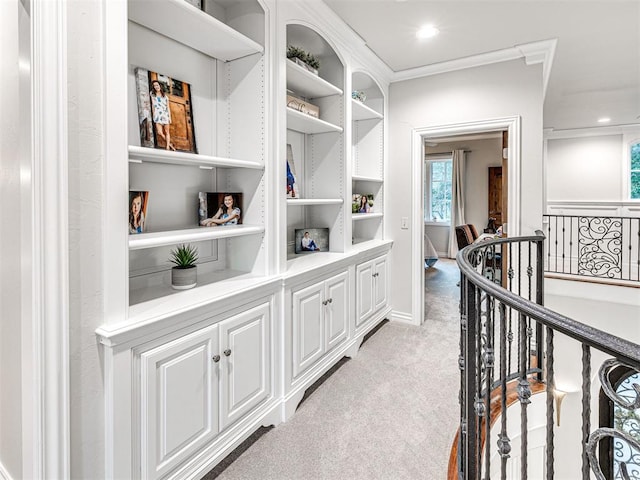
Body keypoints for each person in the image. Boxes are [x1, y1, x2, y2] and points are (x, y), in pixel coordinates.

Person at [149, 79, 175, 151]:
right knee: (160, 132)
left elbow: (168, 108)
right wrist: (154, 115)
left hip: (165, 115)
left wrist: (169, 117)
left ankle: (167, 147)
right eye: (154, 86)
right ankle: (170, 144)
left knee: (167, 132)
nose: (156, 87)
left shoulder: (165, 97)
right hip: (157, 116)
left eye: (157, 85)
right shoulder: (152, 94)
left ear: (160, 86)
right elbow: (153, 105)